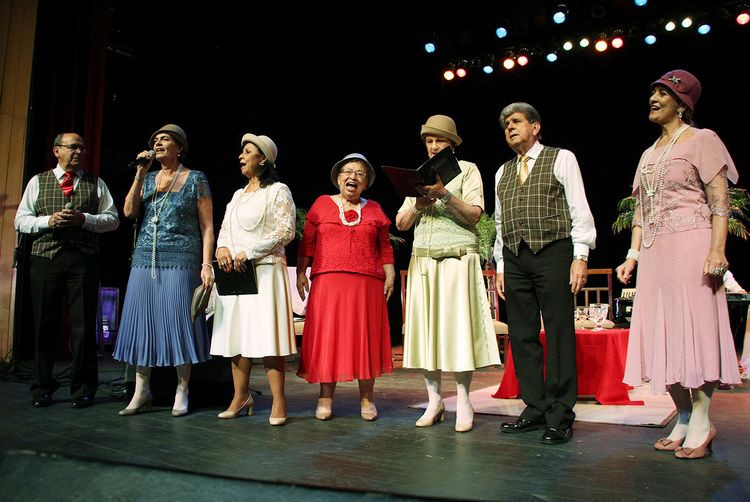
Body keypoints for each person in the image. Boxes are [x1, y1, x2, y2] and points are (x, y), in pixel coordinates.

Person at [616, 70, 741, 459]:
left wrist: (717, 250)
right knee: (660, 331)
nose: (653, 98)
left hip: (692, 244)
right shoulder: (648, 153)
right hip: (654, 251)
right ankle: (683, 414)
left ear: (683, 103)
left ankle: (703, 417)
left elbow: (720, 202)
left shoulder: (704, 140)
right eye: (652, 92)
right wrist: (632, 254)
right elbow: (640, 210)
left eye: (663, 93)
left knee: (695, 328)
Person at [494, 103, 596, 444]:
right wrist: (502, 265)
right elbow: (498, 222)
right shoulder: (502, 171)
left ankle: (560, 414)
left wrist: (580, 255)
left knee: (558, 333)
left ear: (535, 126)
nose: (510, 127)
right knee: (521, 335)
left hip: (554, 252)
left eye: (516, 121)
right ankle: (535, 408)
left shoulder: (560, 158)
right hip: (515, 257)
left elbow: (578, 209)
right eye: (506, 124)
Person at [396, 115, 501, 433]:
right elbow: (401, 223)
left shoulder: (467, 170)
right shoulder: (419, 177)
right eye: (429, 141)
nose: (432, 146)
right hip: (424, 262)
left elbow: (474, 216)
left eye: (439, 140)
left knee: (458, 332)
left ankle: (465, 400)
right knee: (427, 332)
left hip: (457, 260)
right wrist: (417, 202)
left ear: (452, 145)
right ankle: (434, 400)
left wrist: (443, 194)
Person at [113, 124, 214, 417]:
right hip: (146, 256)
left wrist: (207, 264)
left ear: (179, 147)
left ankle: (182, 388)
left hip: (182, 257)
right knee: (143, 320)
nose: (158, 143)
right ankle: (141, 389)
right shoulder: (148, 177)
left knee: (181, 321)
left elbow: (207, 226)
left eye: (164, 139)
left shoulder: (196, 178)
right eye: (155, 139)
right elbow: (129, 212)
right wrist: (139, 174)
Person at [15, 133, 119, 408]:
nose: (79, 152)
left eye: (82, 148)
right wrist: (48, 220)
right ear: (56, 151)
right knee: (44, 326)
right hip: (45, 259)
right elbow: (21, 220)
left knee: (83, 328)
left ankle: (83, 388)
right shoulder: (38, 181)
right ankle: (42, 388)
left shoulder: (96, 183)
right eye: (73, 147)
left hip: (82, 260)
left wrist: (84, 219)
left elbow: (112, 220)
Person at [296, 153, 395, 421]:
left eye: (359, 174)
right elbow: (307, 242)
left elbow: (384, 246)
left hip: (366, 282)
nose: (353, 177)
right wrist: (302, 272)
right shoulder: (321, 204)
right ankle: (325, 398)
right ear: (339, 178)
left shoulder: (374, 208)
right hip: (328, 280)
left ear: (366, 183)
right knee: (329, 338)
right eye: (348, 172)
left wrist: (390, 273)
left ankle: (367, 399)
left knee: (365, 339)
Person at [211, 134, 296, 426]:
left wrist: (250, 252)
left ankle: (279, 401)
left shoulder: (278, 191)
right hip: (236, 273)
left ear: (262, 159)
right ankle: (241, 396)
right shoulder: (237, 195)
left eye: (247, 152)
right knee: (237, 336)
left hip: (264, 269)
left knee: (266, 338)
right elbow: (225, 229)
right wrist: (222, 248)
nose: (241, 156)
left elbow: (286, 231)